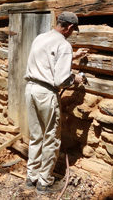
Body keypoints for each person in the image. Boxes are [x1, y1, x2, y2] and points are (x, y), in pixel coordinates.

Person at [24, 11, 88, 194]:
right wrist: (76, 79)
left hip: (30, 89)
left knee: (36, 136)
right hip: (46, 93)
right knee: (51, 138)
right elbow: (61, 79)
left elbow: (47, 60)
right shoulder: (64, 44)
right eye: (73, 30)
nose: (72, 33)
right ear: (68, 27)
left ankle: (31, 177)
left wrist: (72, 57)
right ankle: (44, 182)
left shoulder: (41, 38)